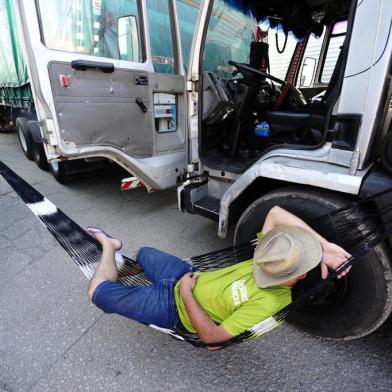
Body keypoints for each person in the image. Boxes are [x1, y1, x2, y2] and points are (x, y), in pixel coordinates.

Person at [87, 206, 350, 348]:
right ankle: (128, 275)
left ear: (300, 274)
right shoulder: (269, 258)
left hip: (174, 309)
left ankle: (109, 247)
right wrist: (324, 246)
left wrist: (187, 292)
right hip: (186, 275)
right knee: (143, 253)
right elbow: (276, 213)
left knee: (97, 293)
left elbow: (213, 339)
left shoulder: (272, 304)